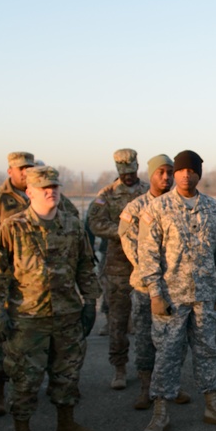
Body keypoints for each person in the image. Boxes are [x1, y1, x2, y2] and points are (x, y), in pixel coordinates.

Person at [0, 166, 101, 431]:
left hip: (67, 316)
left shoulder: (72, 226)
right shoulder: (12, 228)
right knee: (25, 379)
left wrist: (89, 302)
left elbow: (86, 266)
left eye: (55, 187)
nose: (51, 191)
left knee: (67, 373)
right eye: (44, 187)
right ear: (29, 192)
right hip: (27, 319)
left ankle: (66, 422)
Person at [137, 150, 216, 431]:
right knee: (167, 356)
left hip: (206, 298)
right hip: (171, 298)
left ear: (199, 174)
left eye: (191, 170)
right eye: (180, 170)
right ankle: (160, 413)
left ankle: (213, 407)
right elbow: (147, 255)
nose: (185, 175)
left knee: (208, 352)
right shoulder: (157, 209)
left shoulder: (213, 209)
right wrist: (155, 293)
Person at [0, 151, 78, 416]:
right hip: (12, 286)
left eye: (28, 167)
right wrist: (10, 242)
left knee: (58, 348)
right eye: (19, 168)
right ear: (10, 171)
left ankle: (60, 393)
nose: (24, 171)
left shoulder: (55, 198)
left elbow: (73, 226)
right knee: (7, 344)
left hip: (54, 288)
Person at [118, 154, 193, 411]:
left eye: (170, 172)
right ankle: (146, 387)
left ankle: (170, 385)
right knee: (145, 339)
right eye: (161, 172)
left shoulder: (181, 205)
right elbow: (132, 248)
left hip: (176, 289)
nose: (166, 177)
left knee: (173, 341)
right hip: (145, 287)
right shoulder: (136, 208)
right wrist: (154, 278)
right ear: (150, 174)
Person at [86, 148, 150, 390]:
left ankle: (149, 369)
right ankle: (119, 367)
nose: (128, 177)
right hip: (117, 266)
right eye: (124, 173)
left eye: (132, 172)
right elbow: (95, 222)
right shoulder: (107, 194)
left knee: (149, 320)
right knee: (117, 320)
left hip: (147, 263)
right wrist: (123, 232)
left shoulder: (148, 191)